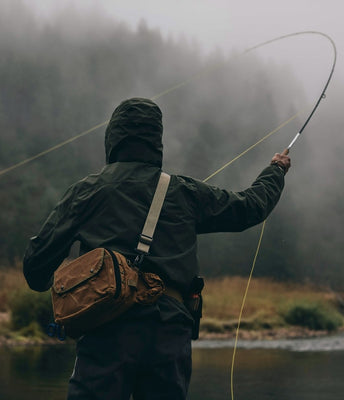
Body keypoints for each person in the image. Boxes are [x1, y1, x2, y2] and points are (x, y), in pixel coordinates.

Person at [23, 97, 290, 400]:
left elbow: (35, 269)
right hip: (169, 333)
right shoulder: (185, 192)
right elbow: (250, 208)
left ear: (112, 139)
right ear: (157, 142)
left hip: (105, 330)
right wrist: (275, 170)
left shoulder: (87, 191)